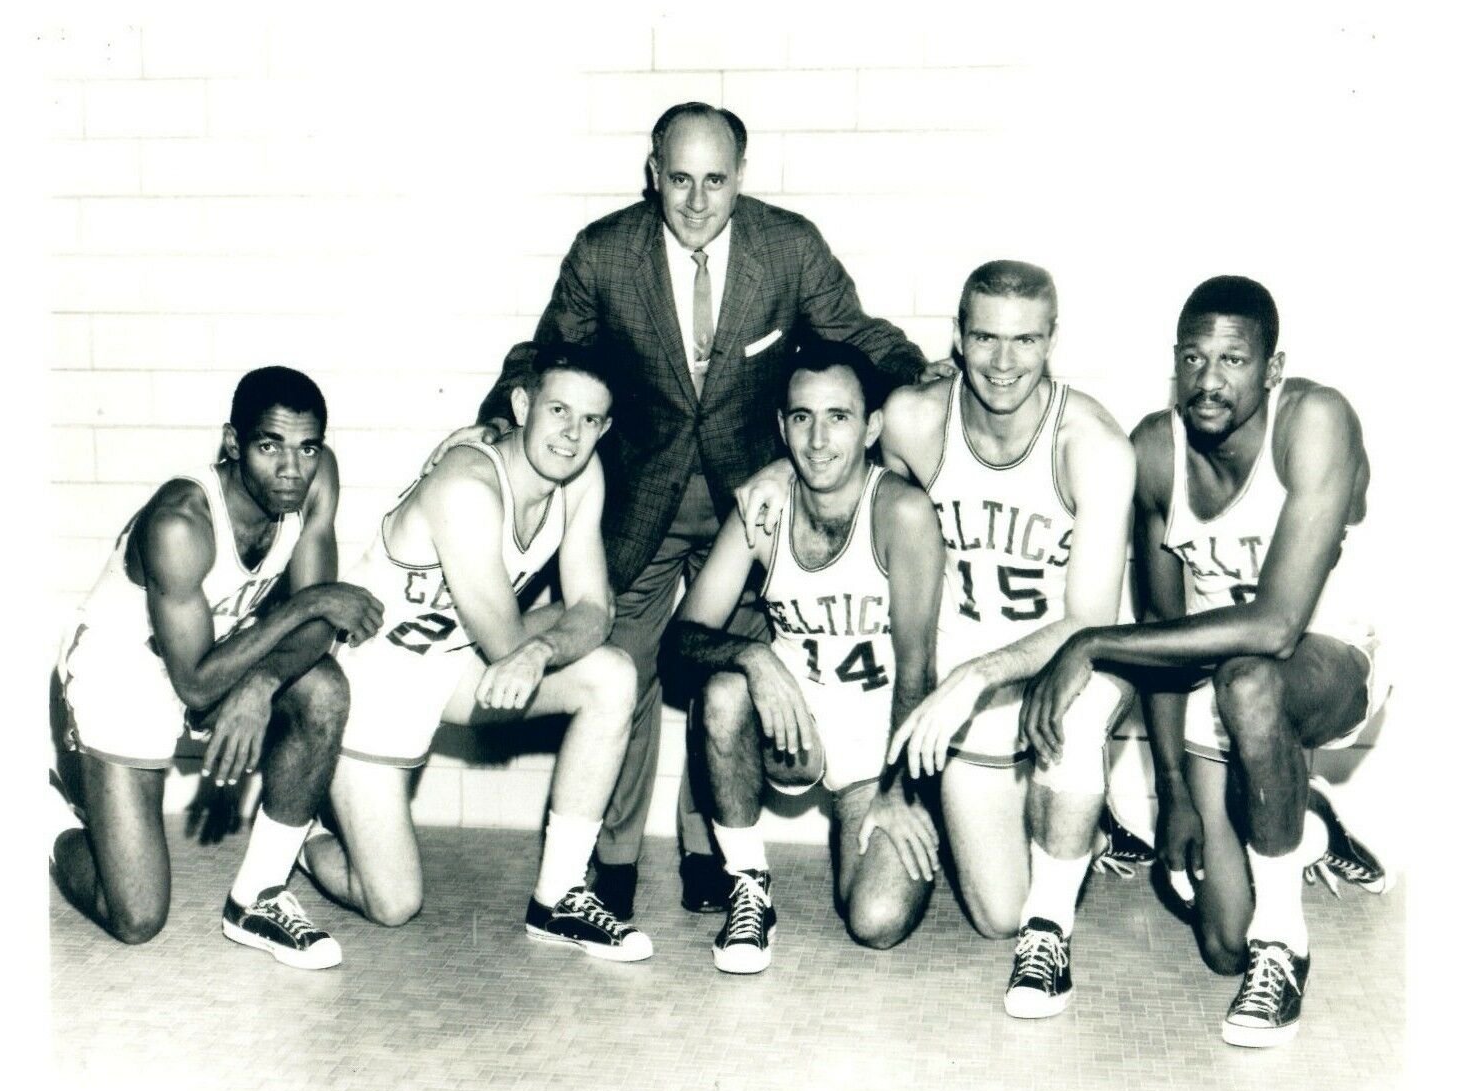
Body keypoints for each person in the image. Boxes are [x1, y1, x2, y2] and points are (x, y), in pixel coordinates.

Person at [433, 102, 933, 921]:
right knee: (622, 675)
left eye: (715, 181)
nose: (697, 203)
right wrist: (498, 414)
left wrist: (921, 378)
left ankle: (710, 855)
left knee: (721, 671)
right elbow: (549, 352)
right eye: (679, 180)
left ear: (741, 176)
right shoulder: (604, 252)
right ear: (651, 172)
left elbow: (856, 335)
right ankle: (614, 859)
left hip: (752, 495)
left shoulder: (788, 246)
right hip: (639, 498)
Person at [739, 261, 1137, 1016]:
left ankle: (1051, 936)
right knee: (993, 916)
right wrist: (776, 473)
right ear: (957, 337)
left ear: (1052, 341)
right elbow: (837, 461)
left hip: (1053, 664)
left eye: (1024, 341)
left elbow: (1091, 618)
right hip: (958, 694)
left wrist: (982, 671)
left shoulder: (1092, 444)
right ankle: (1060, 831)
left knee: (1082, 712)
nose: (1003, 362)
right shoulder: (919, 418)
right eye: (984, 338)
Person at [1022, 275, 1388, 1047]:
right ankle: (1306, 820)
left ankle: (1283, 948)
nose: (1209, 380)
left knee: (1251, 679)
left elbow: (1278, 627)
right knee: (1221, 945)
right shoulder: (1157, 451)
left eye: (1231, 360)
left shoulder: (1315, 421)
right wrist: (1172, 794)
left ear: (1272, 369)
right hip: (1217, 684)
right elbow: (1163, 628)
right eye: (1193, 358)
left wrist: (1090, 641)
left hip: (1330, 657)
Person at [301, 346, 651, 961]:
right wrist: (541, 642)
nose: (571, 435)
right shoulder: (467, 483)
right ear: (522, 405)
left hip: (454, 669)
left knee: (613, 677)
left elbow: (596, 608)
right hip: (369, 686)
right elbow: (509, 644)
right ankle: (299, 824)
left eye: (591, 420)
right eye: (559, 410)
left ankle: (558, 899)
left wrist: (544, 644)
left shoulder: (581, 477)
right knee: (393, 904)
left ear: (605, 427)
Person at [51, 366, 384, 969]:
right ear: (233, 444)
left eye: (307, 447)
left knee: (325, 689)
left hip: (222, 654)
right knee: (137, 918)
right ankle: (45, 818)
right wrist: (310, 601)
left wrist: (261, 682)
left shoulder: (313, 482)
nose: (291, 469)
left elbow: (314, 634)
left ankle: (258, 896)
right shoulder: (182, 523)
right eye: (268, 446)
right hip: (123, 674)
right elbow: (197, 683)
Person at [664, 341, 942, 972]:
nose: (818, 440)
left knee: (874, 922)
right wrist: (756, 661)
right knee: (724, 689)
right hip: (798, 725)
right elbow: (680, 643)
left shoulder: (901, 510)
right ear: (782, 426)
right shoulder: (763, 511)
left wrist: (898, 793)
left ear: (871, 427)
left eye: (838, 417)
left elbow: (919, 670)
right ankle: (748, 888)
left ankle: (927, 825)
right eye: (802, 417)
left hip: (885, 743)